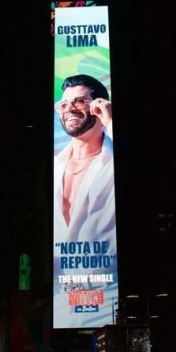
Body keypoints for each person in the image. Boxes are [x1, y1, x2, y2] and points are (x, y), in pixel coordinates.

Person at [53, 73, 117, 328]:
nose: (69, 108)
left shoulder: (112, 159)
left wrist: (110, 121)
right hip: (63, 301)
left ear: (98, 105)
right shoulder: (55, 166)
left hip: (109, 299)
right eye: (64, 104)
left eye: (79, 102)